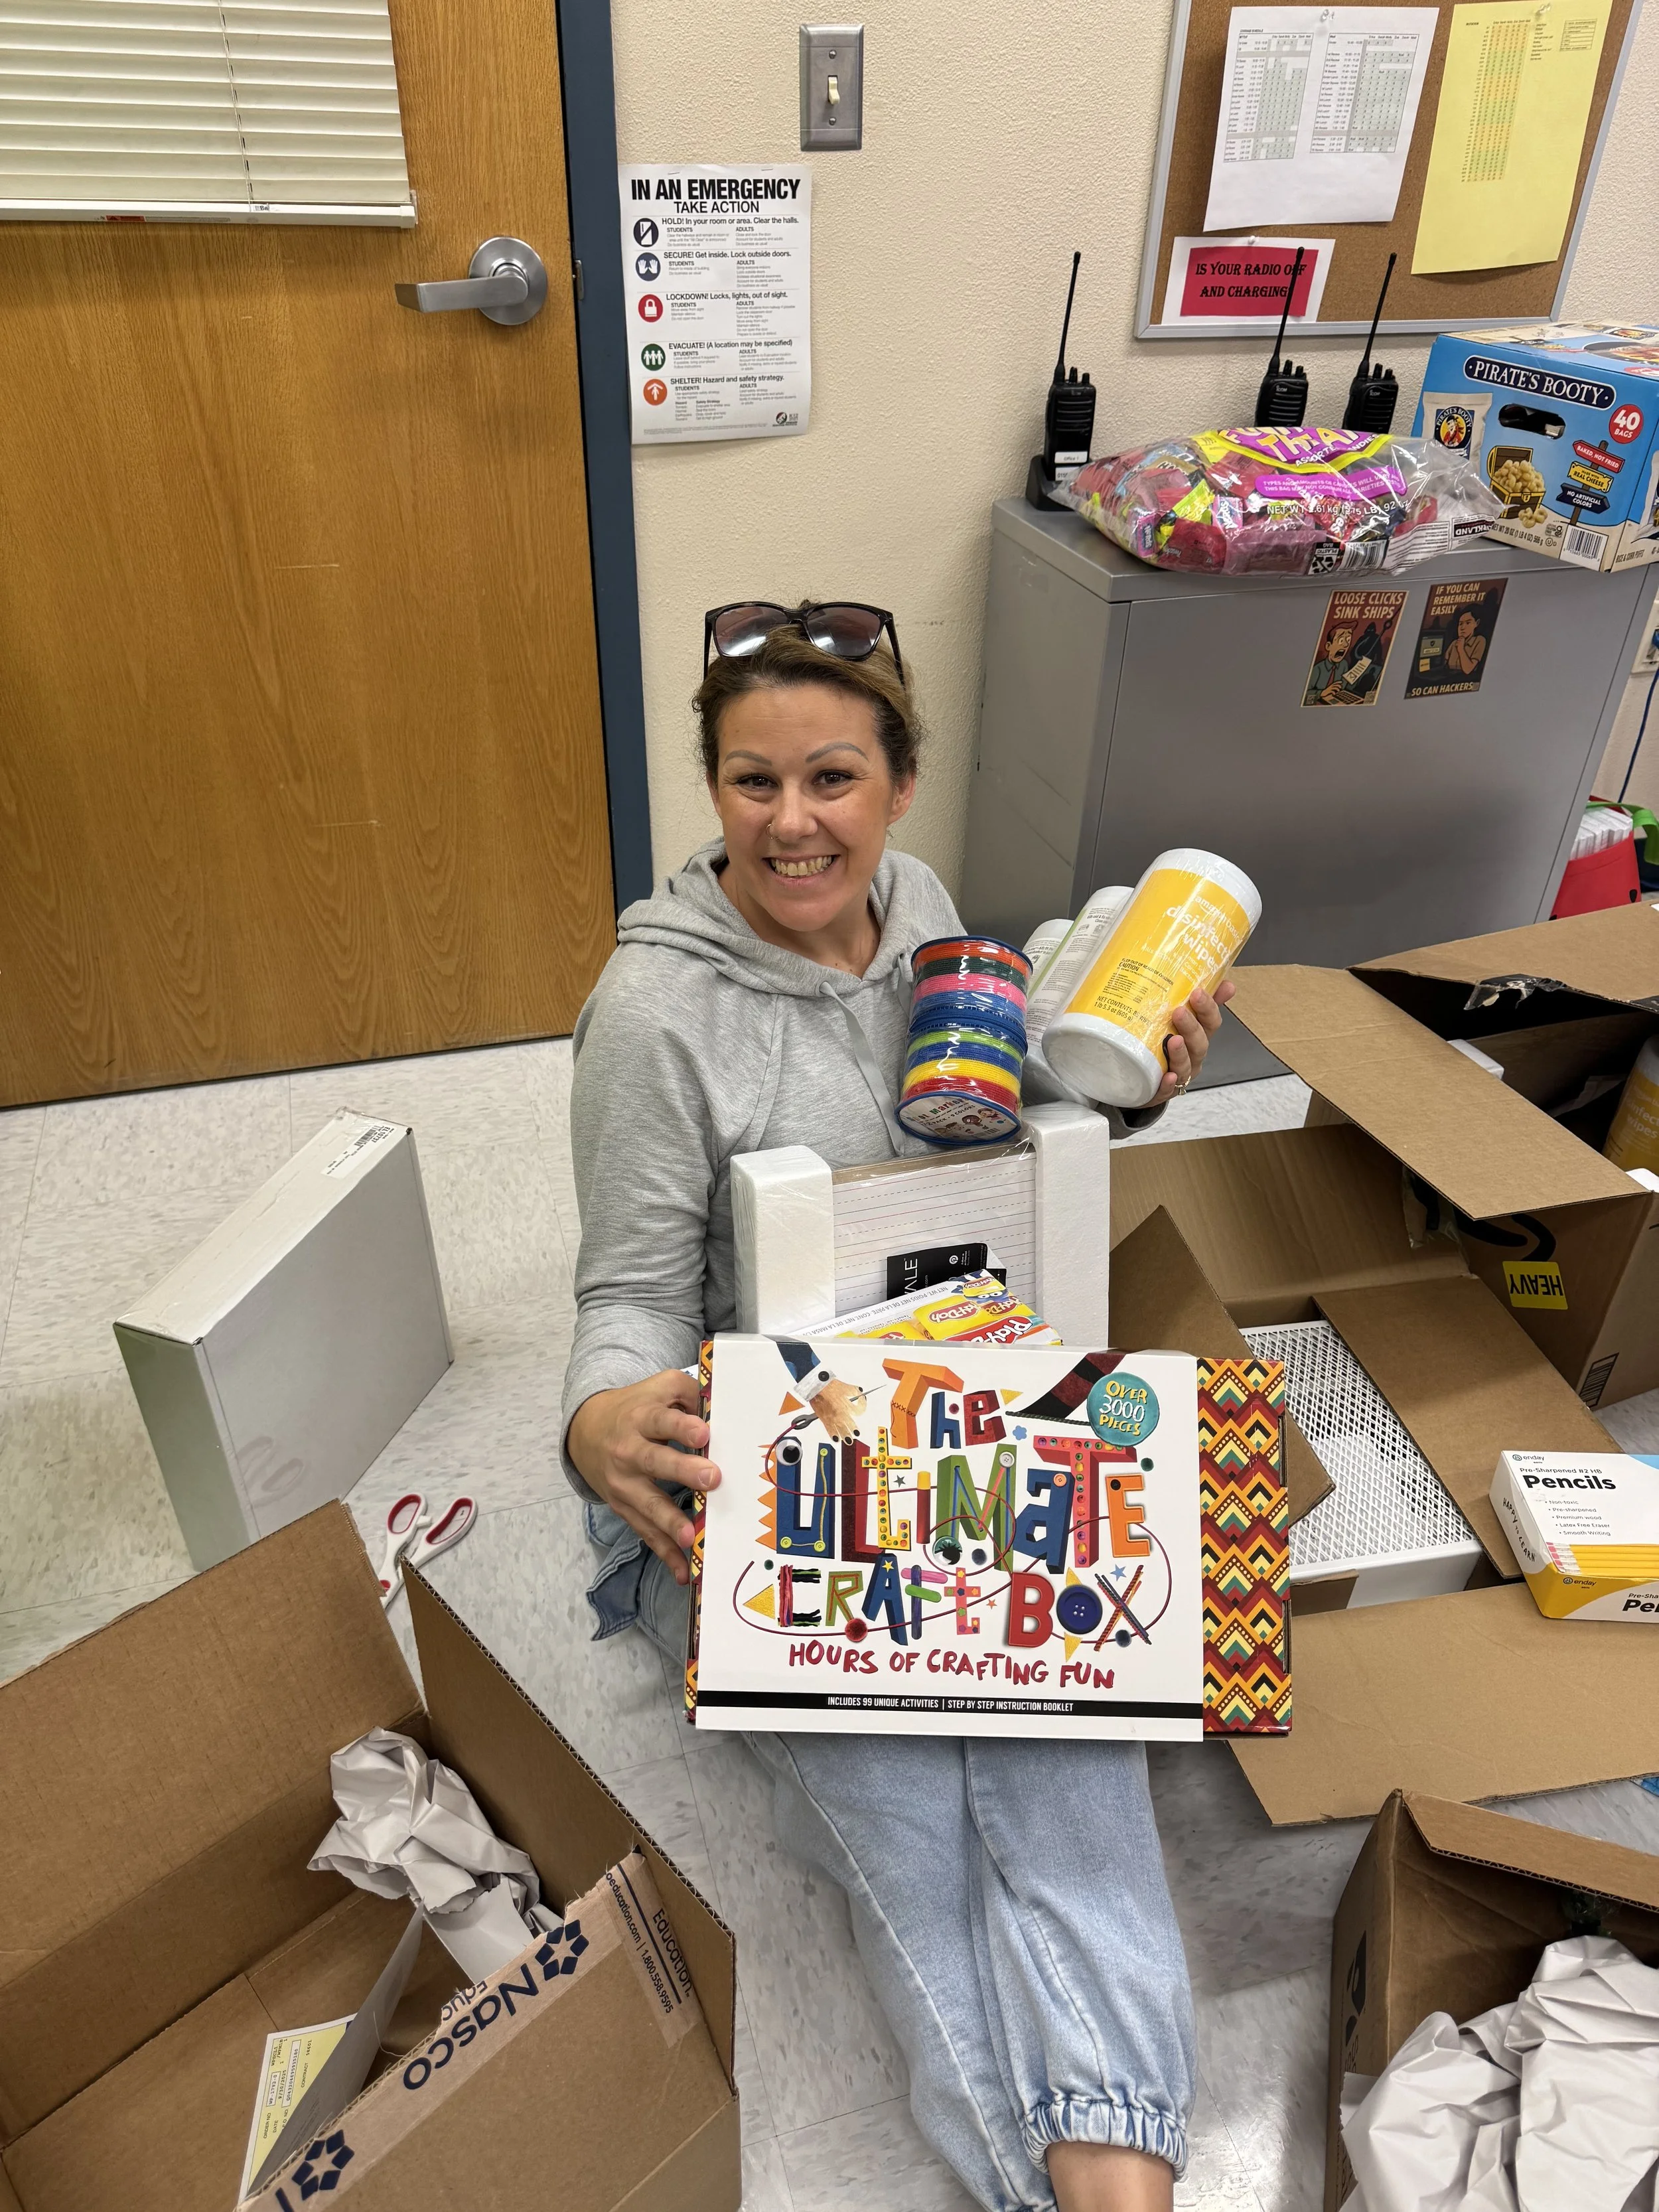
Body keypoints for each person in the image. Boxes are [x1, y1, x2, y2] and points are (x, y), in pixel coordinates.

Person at [561, 602, 1233, 2212]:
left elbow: (987, 1148)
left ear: (901, 785)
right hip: (746, 1463)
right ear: (712, 789)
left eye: (834, 779)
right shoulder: (652, 1017)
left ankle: (1119, 2166)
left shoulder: (923, 914)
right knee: (903, 1782)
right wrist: (596, 1425)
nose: (794, 824)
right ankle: (1055, 2189)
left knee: (1065, 1733)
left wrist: (1125, 1083)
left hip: (954, 1405)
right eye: (751, 782)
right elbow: (628, 1299)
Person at [1445, 605, 1487, 679]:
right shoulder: (1454, 643)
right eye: (1460, 624)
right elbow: (1443, 664)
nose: (1462, 628)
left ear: (1476, 623)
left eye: (1468, 623)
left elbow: (1468, 670)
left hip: (1466, 680)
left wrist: (1461, 649)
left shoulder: (1480, 640)